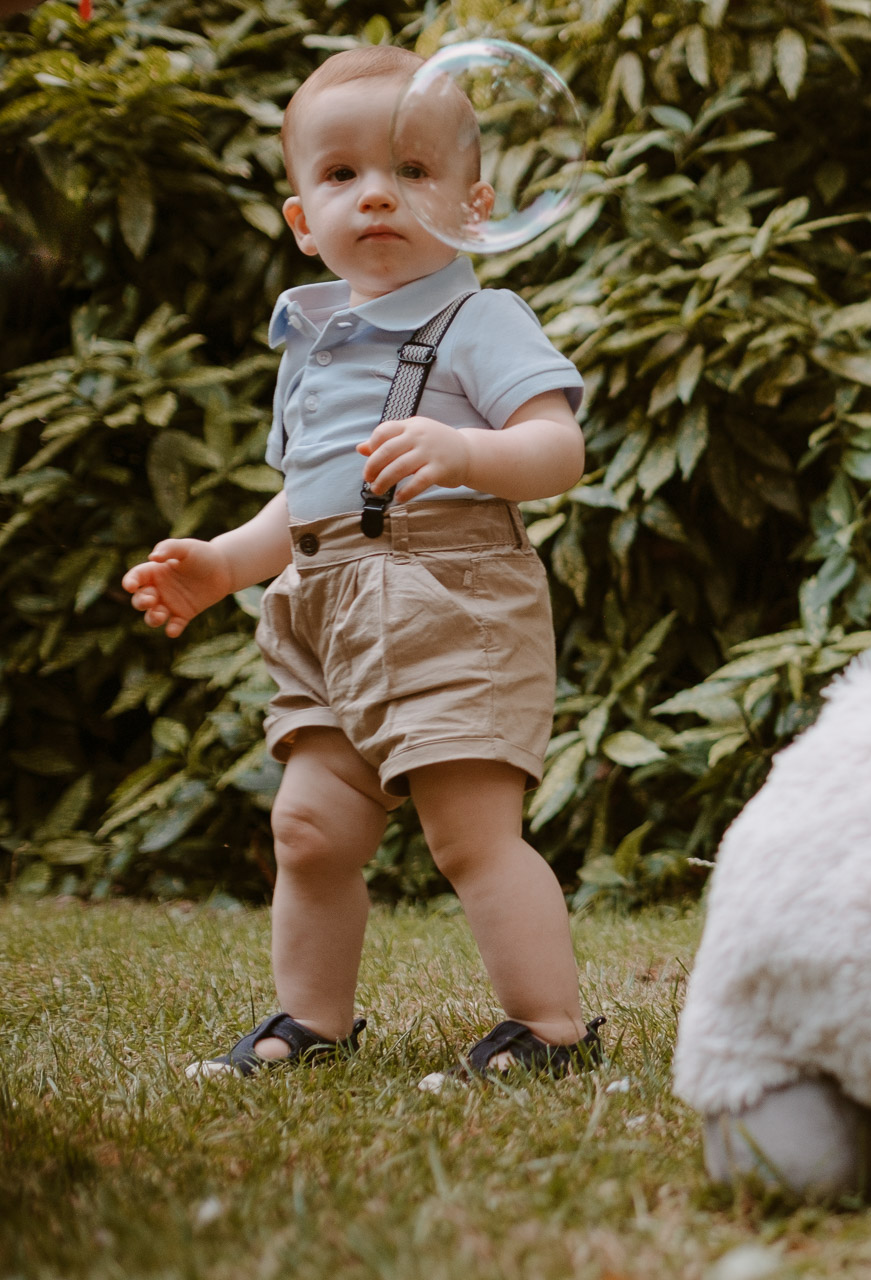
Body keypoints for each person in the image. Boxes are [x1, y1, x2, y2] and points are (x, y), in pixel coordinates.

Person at [121, 45, 600, 1078]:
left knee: (469, 833)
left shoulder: (480, 318)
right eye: (342, 176)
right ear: (304, 220)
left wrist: (468, 451)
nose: (377, 194)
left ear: (472, 203)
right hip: (324, 602)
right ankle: (310, 1019)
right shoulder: (316, 338)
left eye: (412, 171)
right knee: (308, 826)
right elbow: (310, 494)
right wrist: (225, 562)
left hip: (447, 595)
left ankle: (550, 1029)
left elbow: (557, 447)